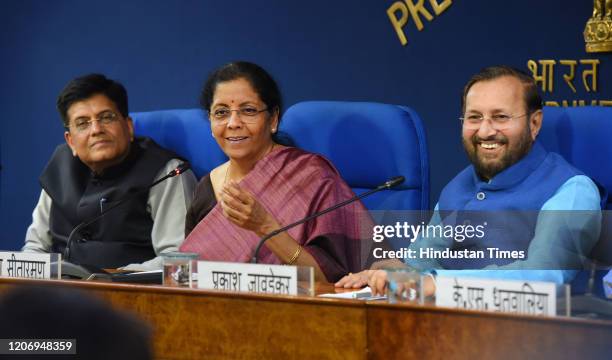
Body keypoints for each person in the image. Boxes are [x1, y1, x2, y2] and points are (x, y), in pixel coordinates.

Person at [337, 66, 602, 295]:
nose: (485, 131)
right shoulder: (459, 185)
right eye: (474, 117)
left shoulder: (572, 190)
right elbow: (421, 260)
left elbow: (545, 277)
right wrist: (388, 272)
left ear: (534, 123)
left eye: (500, 117)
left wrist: (433, 284)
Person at [181, 61, 370, 282]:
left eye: (248, 110)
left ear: (273, 119)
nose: (233, 123)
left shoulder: (311, 178)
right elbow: (189, 279)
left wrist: (265, 226)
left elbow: (329, 280)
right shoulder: (207, 188)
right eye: (221, 112)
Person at [23, 74, 197, 270]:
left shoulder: (167, 172)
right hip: (59, 293)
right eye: (82, 123)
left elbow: (177, 260)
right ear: (70, 140)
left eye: (106, 117)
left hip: (134, 294)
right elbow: (35, 248)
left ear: (129, 127)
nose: (96, 129)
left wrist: (114, 280)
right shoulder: (60, 167)